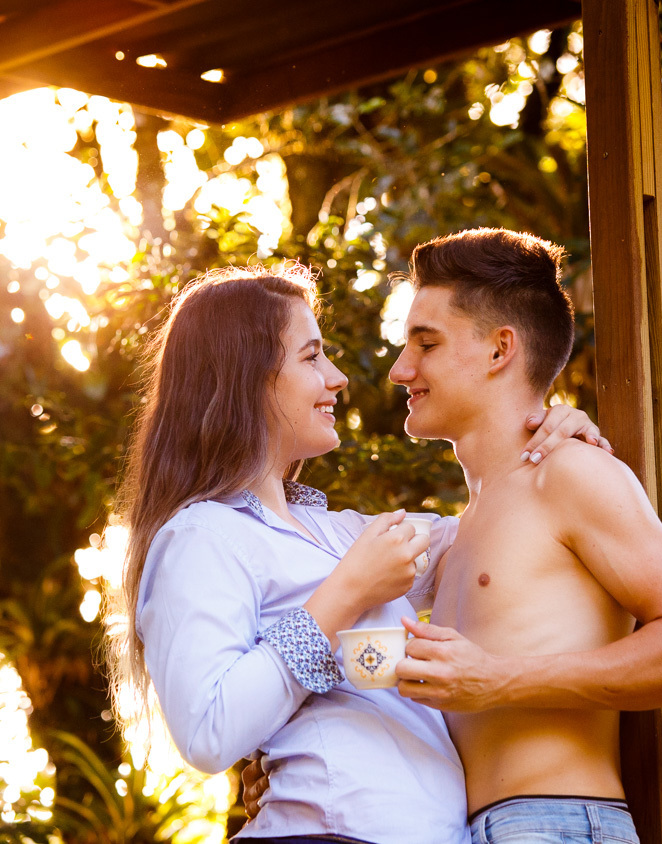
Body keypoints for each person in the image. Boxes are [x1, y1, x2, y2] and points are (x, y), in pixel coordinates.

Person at [106, 264, 609, 844]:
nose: (339, 377)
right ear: (247, 377)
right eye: (311, 357)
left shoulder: (342, 534)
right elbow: (208, 733)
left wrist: (547, 430)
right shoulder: (202, 537)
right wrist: (346, 595)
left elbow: (495, 533)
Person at [385, 228, 662, 843]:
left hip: (555, 823)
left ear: (501, 350)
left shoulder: (571, 471)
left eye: (427, 343)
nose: (400, 370)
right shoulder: (456, 532)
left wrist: (499, 679)